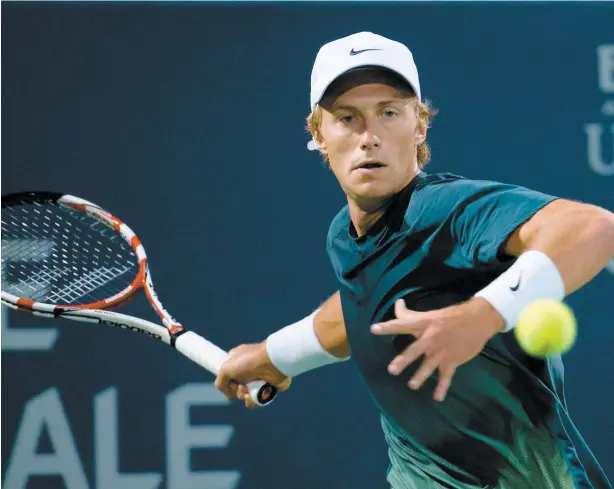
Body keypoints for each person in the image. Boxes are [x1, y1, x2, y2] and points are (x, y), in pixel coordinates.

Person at [214, 32, 614, 489]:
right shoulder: (344, 236)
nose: (369, 137)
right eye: (347, 118)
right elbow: (363, 310)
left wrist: (480, 316)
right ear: (318, 135)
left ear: (419, 125)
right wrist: (274, 356)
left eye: (389, 113)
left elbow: (594, 228)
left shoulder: (441, 210)